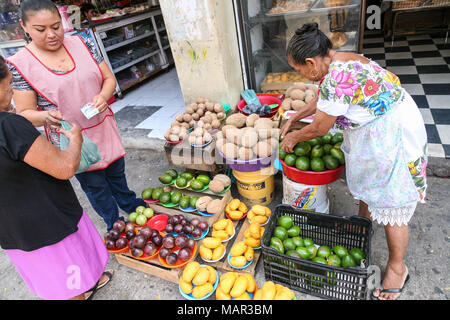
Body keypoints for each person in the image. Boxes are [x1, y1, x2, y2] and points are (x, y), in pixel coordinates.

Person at [280, 23, 427, 300]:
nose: (301, 75)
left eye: (299, 70)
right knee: (371, 179)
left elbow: (320, 128)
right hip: (381, 125)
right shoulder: (336, 59)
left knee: (391, 198)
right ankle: (364, 221)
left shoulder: (335, 76)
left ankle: (397, 268)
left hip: (392, 131)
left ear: (311, 62)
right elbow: (326, 99)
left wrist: (295, 138)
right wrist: (295, 116)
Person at [7, 0, 146, 231]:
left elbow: (109, 79)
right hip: (71, 139)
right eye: (41, 30)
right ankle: (114, 222)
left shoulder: (83, 42)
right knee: (95, 186)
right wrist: (45, 116)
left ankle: (129, 204)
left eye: (56, 26)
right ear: (24, 26)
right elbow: (25, 114)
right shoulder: (20, 65)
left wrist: (103, 95)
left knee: (116, 173)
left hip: (102, 125)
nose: (52, 35)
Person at [0, 55, 112, 300]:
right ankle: (80, 290)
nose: (11, 96)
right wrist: (76, 141)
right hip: (46, 224)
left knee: (61, 276)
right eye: (8, 88)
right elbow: (64, 167)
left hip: (13, 229)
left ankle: (88, 283)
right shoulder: (9, 126)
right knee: (67, 284)